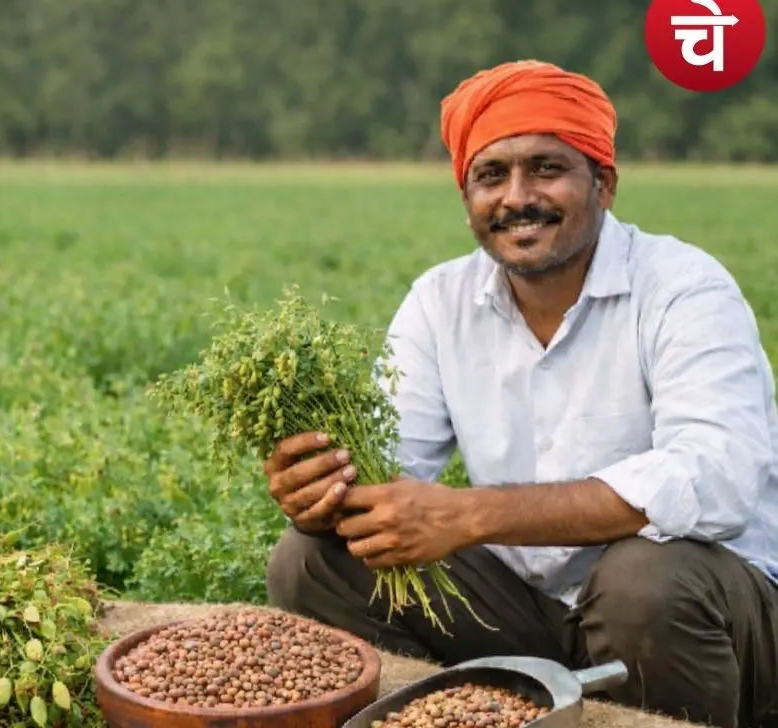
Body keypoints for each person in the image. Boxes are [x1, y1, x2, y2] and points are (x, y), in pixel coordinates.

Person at [263, 59, 778, 728]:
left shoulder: (683, 289)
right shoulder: (440, 303)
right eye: (490, 176)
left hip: (713, 618)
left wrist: (473, 515)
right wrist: (323, 493)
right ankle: (460, 716)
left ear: (604, 184)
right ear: (467, 197)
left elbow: (714, 480)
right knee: (313, 562)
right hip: (533, 611)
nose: (516, 197)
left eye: (546, 168)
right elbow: (389, 464)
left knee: (641, 583)